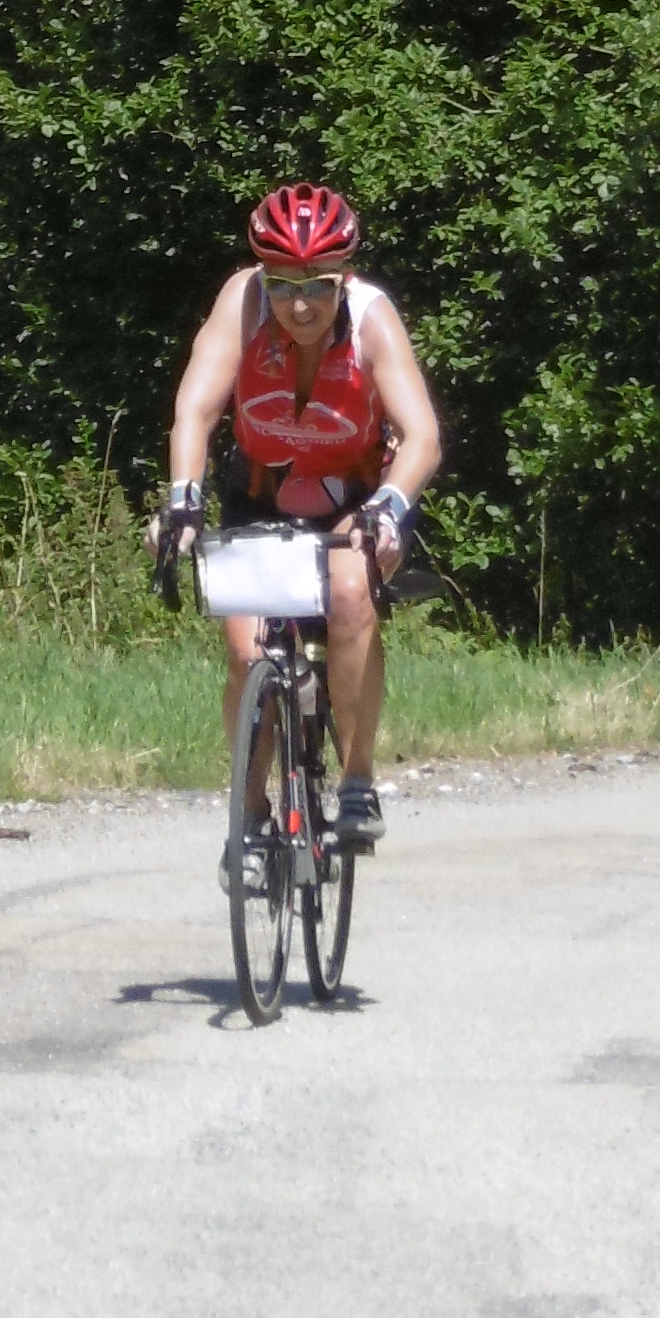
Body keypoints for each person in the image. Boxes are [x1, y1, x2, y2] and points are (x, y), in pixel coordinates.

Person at [146, 182, 441, 865]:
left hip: (357, 500)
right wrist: (182, 497)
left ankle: (358, 781)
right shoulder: (241, 304)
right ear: (264, 277)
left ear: (344, 278)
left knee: (347, 593)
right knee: (247, 652)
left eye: (318, 285)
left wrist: (389, 507)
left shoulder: (371, 317)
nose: (301, 305)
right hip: (261, 495)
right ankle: (249, 816)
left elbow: (421, 433)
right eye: (284, 287)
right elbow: (196, 408)